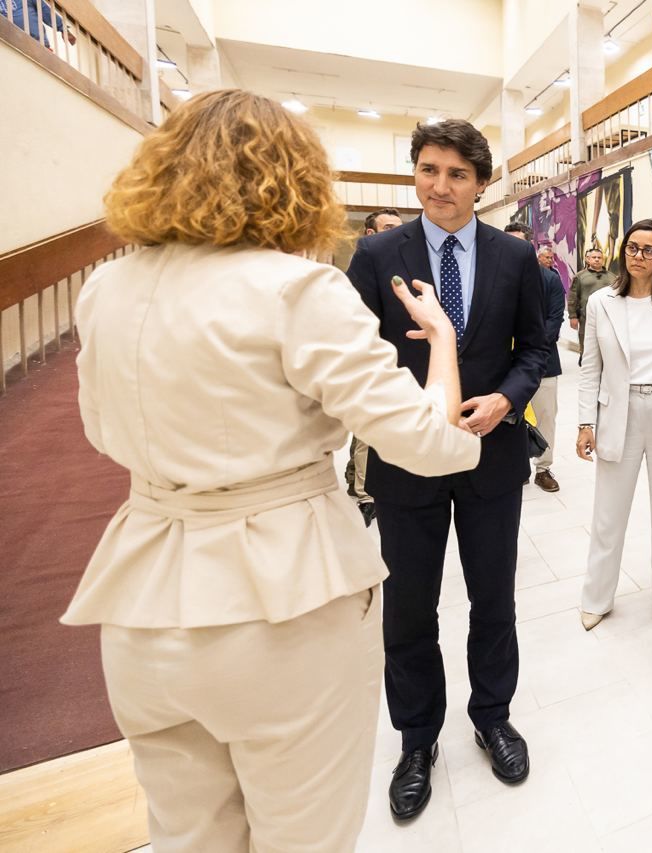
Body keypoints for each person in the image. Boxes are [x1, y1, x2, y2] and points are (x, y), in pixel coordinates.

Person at [61, 90, 480, 851]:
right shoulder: (295, 289)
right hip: (281, 601)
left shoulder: (106, 290)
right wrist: (442, 342)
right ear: (294, 179)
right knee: (303, 834)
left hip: (146, 598)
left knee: (187, 833)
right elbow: (431, 441)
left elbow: (100, 430)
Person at [346, 118, 548, 821]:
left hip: (490, 456)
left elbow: (536, 349)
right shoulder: (378, 255)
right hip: (407, 463)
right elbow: (357, 356)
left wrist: (506, 399)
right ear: (415, 174)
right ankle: (416, 739)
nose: (440, 185)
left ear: (481, 183)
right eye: (429, 170)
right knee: (409, 606)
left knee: (494, 597)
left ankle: (493, 716)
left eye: (457, 174)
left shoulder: (514, 257)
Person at [576, 220, 652, 637]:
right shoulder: (602, 303)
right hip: (620, 412)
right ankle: (596, 597)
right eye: (632, 247)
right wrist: (586, 422)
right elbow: (590, 367)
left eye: (649, 250)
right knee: (608, 513)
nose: (638, 256)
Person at [346, 207, 406, 524]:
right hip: (372, 367)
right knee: (366, 437)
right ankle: (365, 495)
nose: (396, 232)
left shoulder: (410, 265)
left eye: (399, 226)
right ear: (370, 234)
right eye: (388, 228)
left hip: (405, 367)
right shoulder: (362, 268)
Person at [505, 224, 565, 493]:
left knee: (545, 416)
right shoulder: (495, 278)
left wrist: (528, 351)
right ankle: (516, 466)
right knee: (509, 418)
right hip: (503, 364)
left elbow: (553, 321)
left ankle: (543, 468)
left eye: (519, 243)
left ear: (530, 247)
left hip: (542, 363)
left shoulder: (549, 280)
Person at [568, 247, 616, 363]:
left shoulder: (612, 277)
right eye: (594, 257)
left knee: (606, 343)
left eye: (599, 257)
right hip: (586, 317)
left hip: (608, 317)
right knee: (586, 343)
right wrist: (573, 316)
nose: (597, 260)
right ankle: (585, 360)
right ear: (588, 259)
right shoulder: (580, 276)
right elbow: (573, 297)